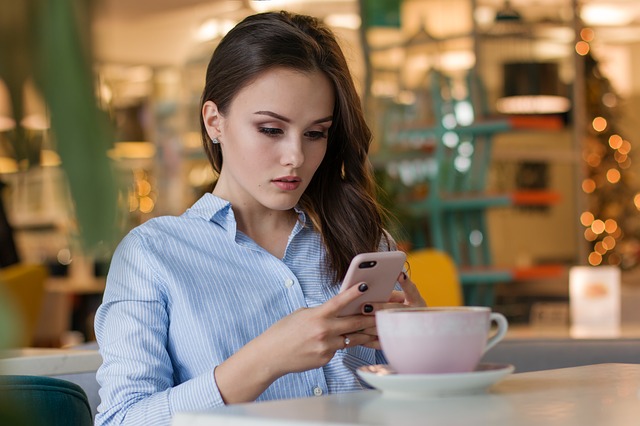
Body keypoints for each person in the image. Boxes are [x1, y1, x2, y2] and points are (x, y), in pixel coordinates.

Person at [94, 10, 426, 426]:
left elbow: (418, 406)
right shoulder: (153, 255)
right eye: (271, 129)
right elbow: (120, 420)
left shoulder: (361, 240)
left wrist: (422, 346)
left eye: (315, 133)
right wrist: (265, 359)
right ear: (215, 121)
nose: (296, 157)